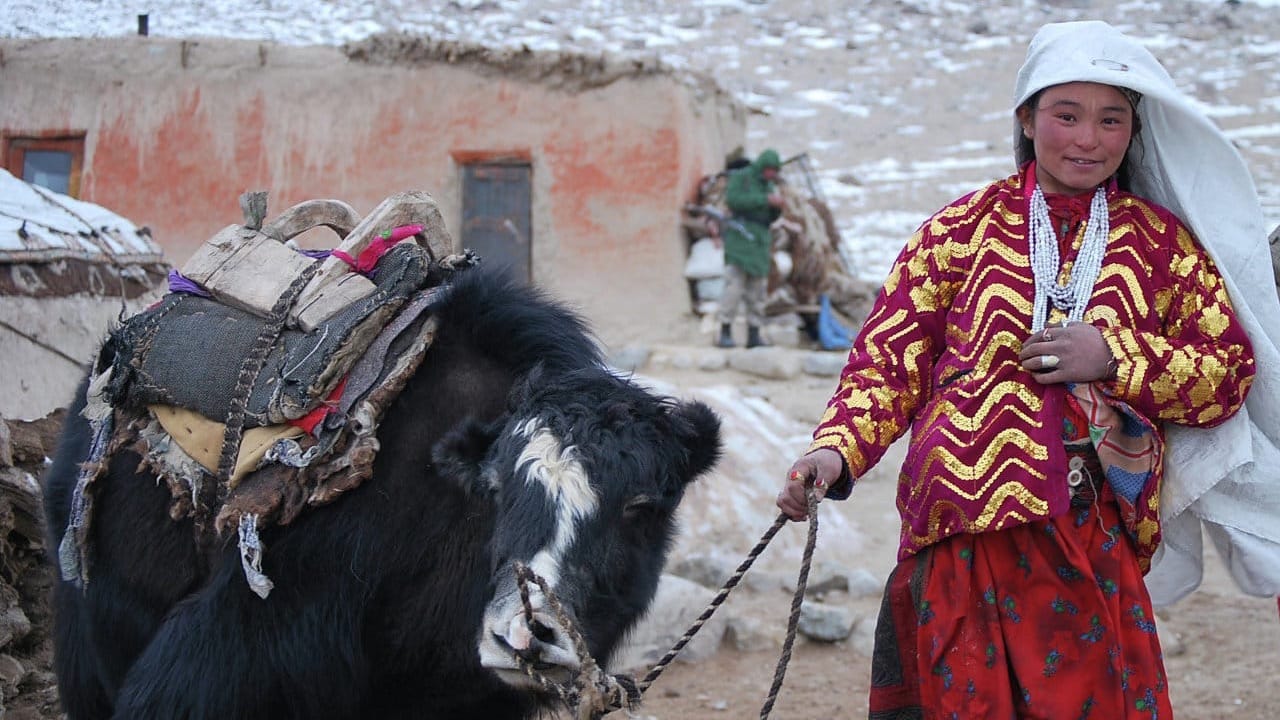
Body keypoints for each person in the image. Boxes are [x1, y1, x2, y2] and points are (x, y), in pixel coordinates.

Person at [776, 20, 1280, 718]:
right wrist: (835, 450)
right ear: (1026, 116)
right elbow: (889, 362)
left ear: (1133, 131)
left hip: (1088, 538)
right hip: (957, 532)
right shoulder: (957, 232)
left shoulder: (1162, 246)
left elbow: (1227, 373)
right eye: (1065, 116)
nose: (1086, 139)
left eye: (1111, 120)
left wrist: (1115, 358)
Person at [714, 148, 784, 348]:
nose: (771, 174)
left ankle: (754, 334)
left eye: (774, 170)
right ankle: (725, 331)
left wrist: (776, 207)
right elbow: (734, 200)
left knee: (757, 292)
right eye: (769, 169)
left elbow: (771, 217)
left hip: (760, 243)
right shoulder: (742, 179)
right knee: (733, 288)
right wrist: (764, 200)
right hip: (740, 241)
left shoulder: (769, 186)